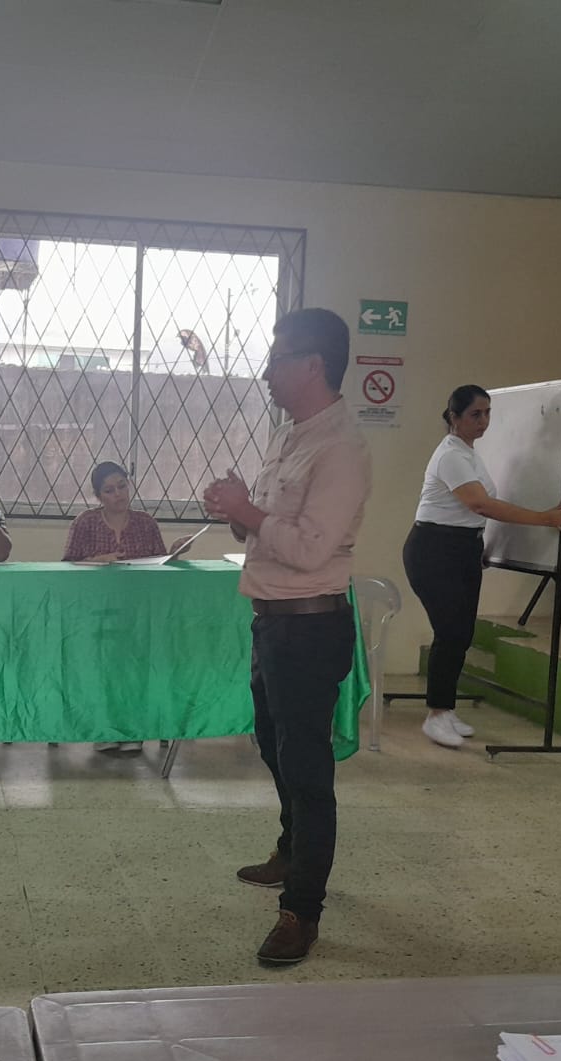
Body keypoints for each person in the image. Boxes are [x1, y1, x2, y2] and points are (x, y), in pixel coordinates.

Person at [202, 307, 371, 967]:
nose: (267, 373)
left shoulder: (341, 449)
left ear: (312, 365)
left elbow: (308, 549)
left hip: (310, 626)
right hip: (272, 621)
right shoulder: (289, 435)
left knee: (307, 773)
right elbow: (265, 529)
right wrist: (239, 508)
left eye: (277, 360)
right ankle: (291, 849)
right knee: (275, 749)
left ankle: (302, 910)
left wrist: (248, 510)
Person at [403, 385, 561, 750]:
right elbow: (480, 505)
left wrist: (481, 548)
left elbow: (475, 514)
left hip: (462, 549)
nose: (483, 421)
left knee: (462, 633)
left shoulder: (470, 453)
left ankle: (446, 710)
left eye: (487, 413)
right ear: (454, 417)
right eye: (475, 414)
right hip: (434, 550)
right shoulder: (450, 455)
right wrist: (543, 519)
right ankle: (435, 714)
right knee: (450, 632)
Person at [62, 460, 186, 754]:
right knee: (103, 669)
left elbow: (159, 566)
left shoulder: (145, 522)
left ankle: (133, 728)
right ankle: (104, 728)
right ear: (98, 496)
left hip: (137, 609)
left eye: (122, 486)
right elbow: (66, 566)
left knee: (136, 669)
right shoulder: (85, 522)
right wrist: (95, 561)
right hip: (96, 610)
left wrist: (175, 554)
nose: (118, 494)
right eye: (109, 490)